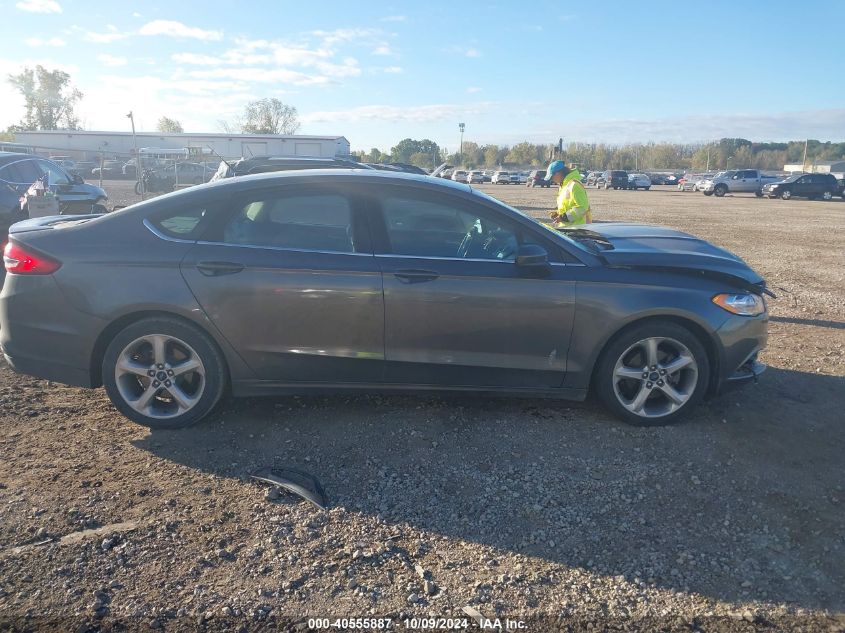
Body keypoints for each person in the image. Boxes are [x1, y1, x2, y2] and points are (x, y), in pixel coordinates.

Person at [544, 160, 592, 227]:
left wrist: (563, 217)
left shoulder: (574, 185)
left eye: (551, 177)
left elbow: (582, 208)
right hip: (569, 228)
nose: (552, 180)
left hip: (578, 230)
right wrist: (558, 213)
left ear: (558, 173)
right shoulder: (564, 186)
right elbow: (568, 206)